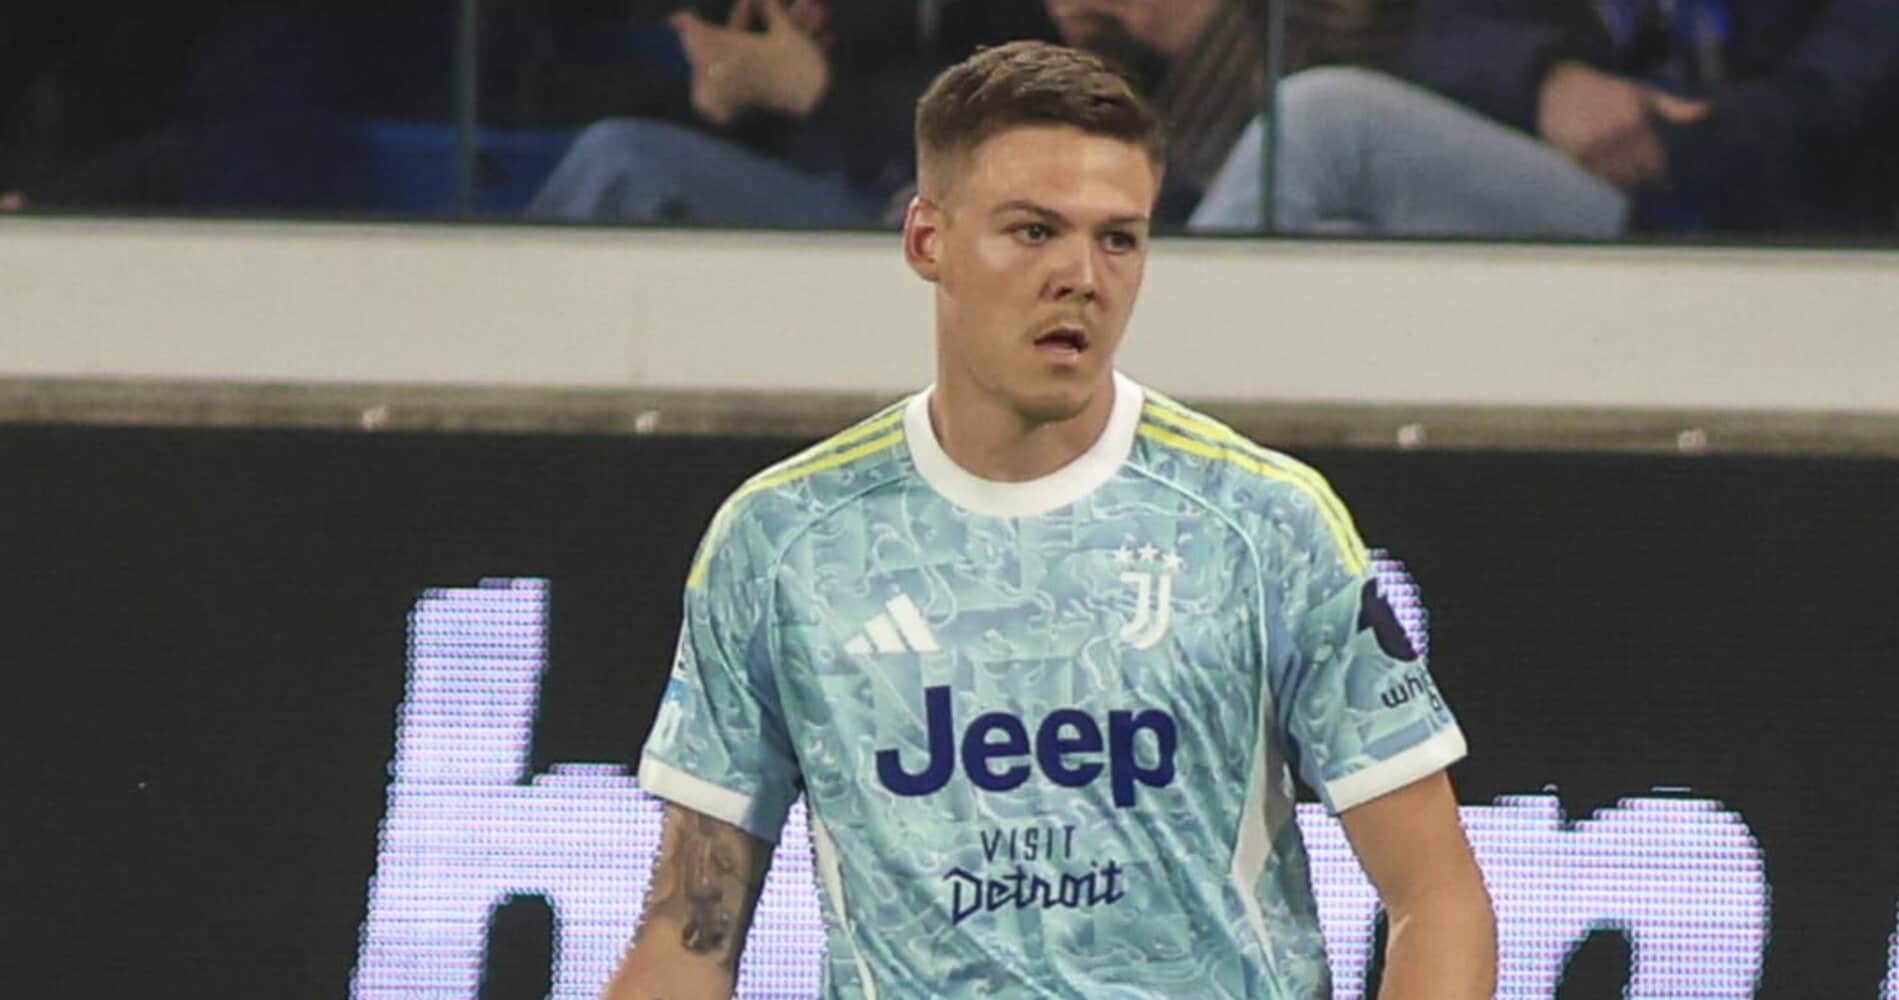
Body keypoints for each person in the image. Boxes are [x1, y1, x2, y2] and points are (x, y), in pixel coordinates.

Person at [606, 40, 1496, 999]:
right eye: (1033, 231)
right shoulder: (781, 541)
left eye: (1118, 239)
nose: (1081, 275)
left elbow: (1436, 900)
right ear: (927, 242)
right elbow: (689, 937)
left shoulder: (1265, 523)